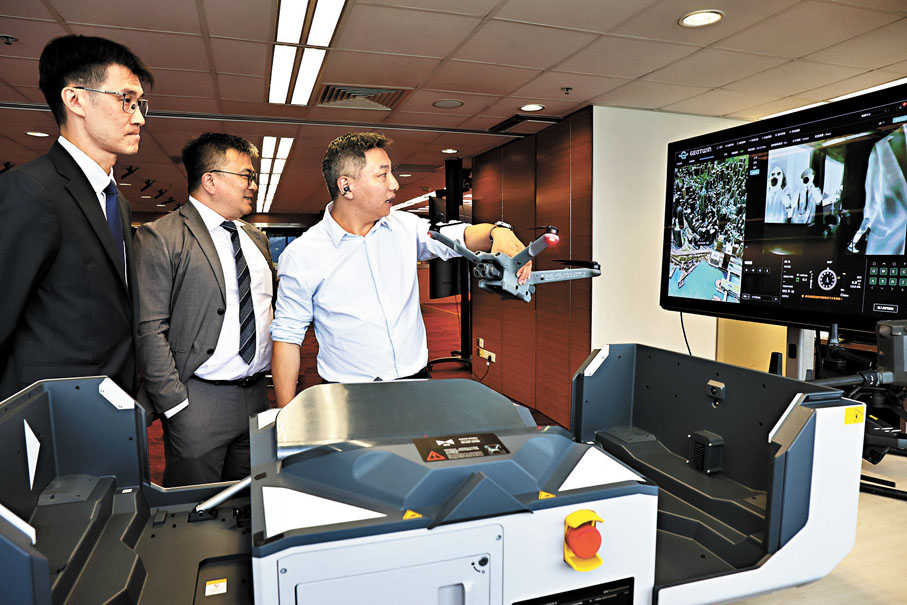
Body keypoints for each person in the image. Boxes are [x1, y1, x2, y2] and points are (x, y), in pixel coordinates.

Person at [270, 132, 529, 407]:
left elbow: (458, 236)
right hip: (346, 395)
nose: (394, 184)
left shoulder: (406, 227)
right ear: (346, 187)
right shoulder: (302, 255)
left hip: (416, 382)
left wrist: (496, 232)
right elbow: (287, 338)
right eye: (382, 175)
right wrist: (285, 417)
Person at [0, 35, 152, 401]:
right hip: (52, 408)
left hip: (112, 402)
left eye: (139, 103)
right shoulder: (31, 189)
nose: (139, 118)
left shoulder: (117, 201)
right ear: (76, 99)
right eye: (126, 100)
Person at [134, 133, 275, 486]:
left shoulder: (256, 238)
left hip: (257, 397)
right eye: (246, 175)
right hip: (198, 401)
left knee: (249, 501)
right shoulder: (162, 236)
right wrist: (175, 404)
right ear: (210, 180)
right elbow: (149, 329)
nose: (253, 185)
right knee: (196, 506)